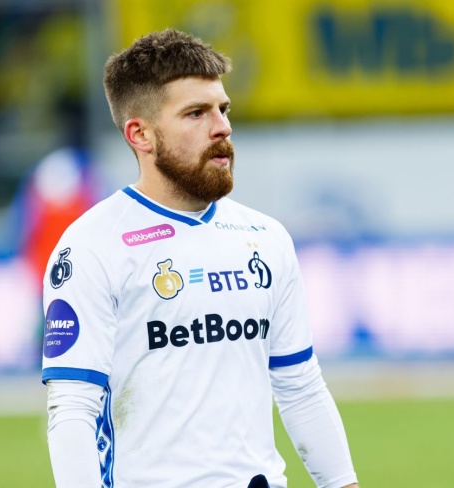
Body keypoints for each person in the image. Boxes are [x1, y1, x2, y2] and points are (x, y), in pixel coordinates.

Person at [41, 29, 359, 488]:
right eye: (196, 113)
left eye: (222, 109)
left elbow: (301, 387)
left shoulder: (265, 238)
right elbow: (72, 408)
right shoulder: (92, 246)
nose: (221, 127)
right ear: (140, 134)